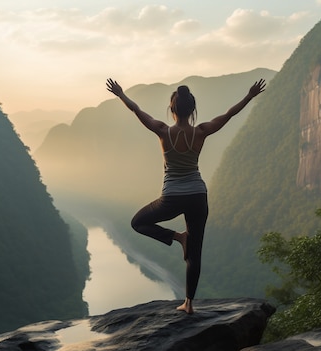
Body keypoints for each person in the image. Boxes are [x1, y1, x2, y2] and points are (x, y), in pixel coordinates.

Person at [106, 77, 266, 314]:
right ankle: (189, 303)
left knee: (138, 222)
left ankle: (177, 237)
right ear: (192, 110)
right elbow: (229, 114)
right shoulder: (201, 132)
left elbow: (137, 110)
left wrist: (120, 94)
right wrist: (249, 96)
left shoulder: (163, 131)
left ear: (172, 109)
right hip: (198, 196)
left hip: (171, 197)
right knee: (196, 251)